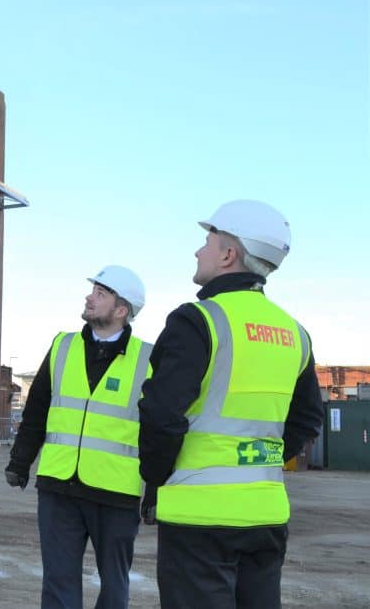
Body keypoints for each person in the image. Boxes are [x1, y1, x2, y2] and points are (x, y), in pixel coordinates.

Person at [137, 200, 324, 608]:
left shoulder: (198, 320)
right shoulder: (294, 333)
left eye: (207, 242)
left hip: (199, 519)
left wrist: (156, 479)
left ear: (228, 255)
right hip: (266, 516)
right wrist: (262, 460)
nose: (197, 251)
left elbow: (162, 415)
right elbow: (309, 417)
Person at [5, 265, 152, 609]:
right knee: (58, 583)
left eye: (101, 294)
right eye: (92, 291)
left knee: (114, 586)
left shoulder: (148, 359)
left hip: (116, 495)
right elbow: (37, 409)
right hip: (58, 488)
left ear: (121, 310)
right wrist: (20, 461)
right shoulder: (63, 346)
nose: (89, 297)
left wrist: (156, 490)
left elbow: (157, 429)